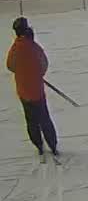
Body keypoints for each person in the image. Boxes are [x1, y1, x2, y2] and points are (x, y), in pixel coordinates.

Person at [8, 17, 56, 160]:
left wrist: (23, 72)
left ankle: (38, 145)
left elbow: (10, 66)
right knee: (44, 118)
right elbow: (44, 63)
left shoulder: (15, 48)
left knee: (31, 120)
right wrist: (37, 74)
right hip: (37, 90)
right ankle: (52, 145)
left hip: (23, 91)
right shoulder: (34, 47)